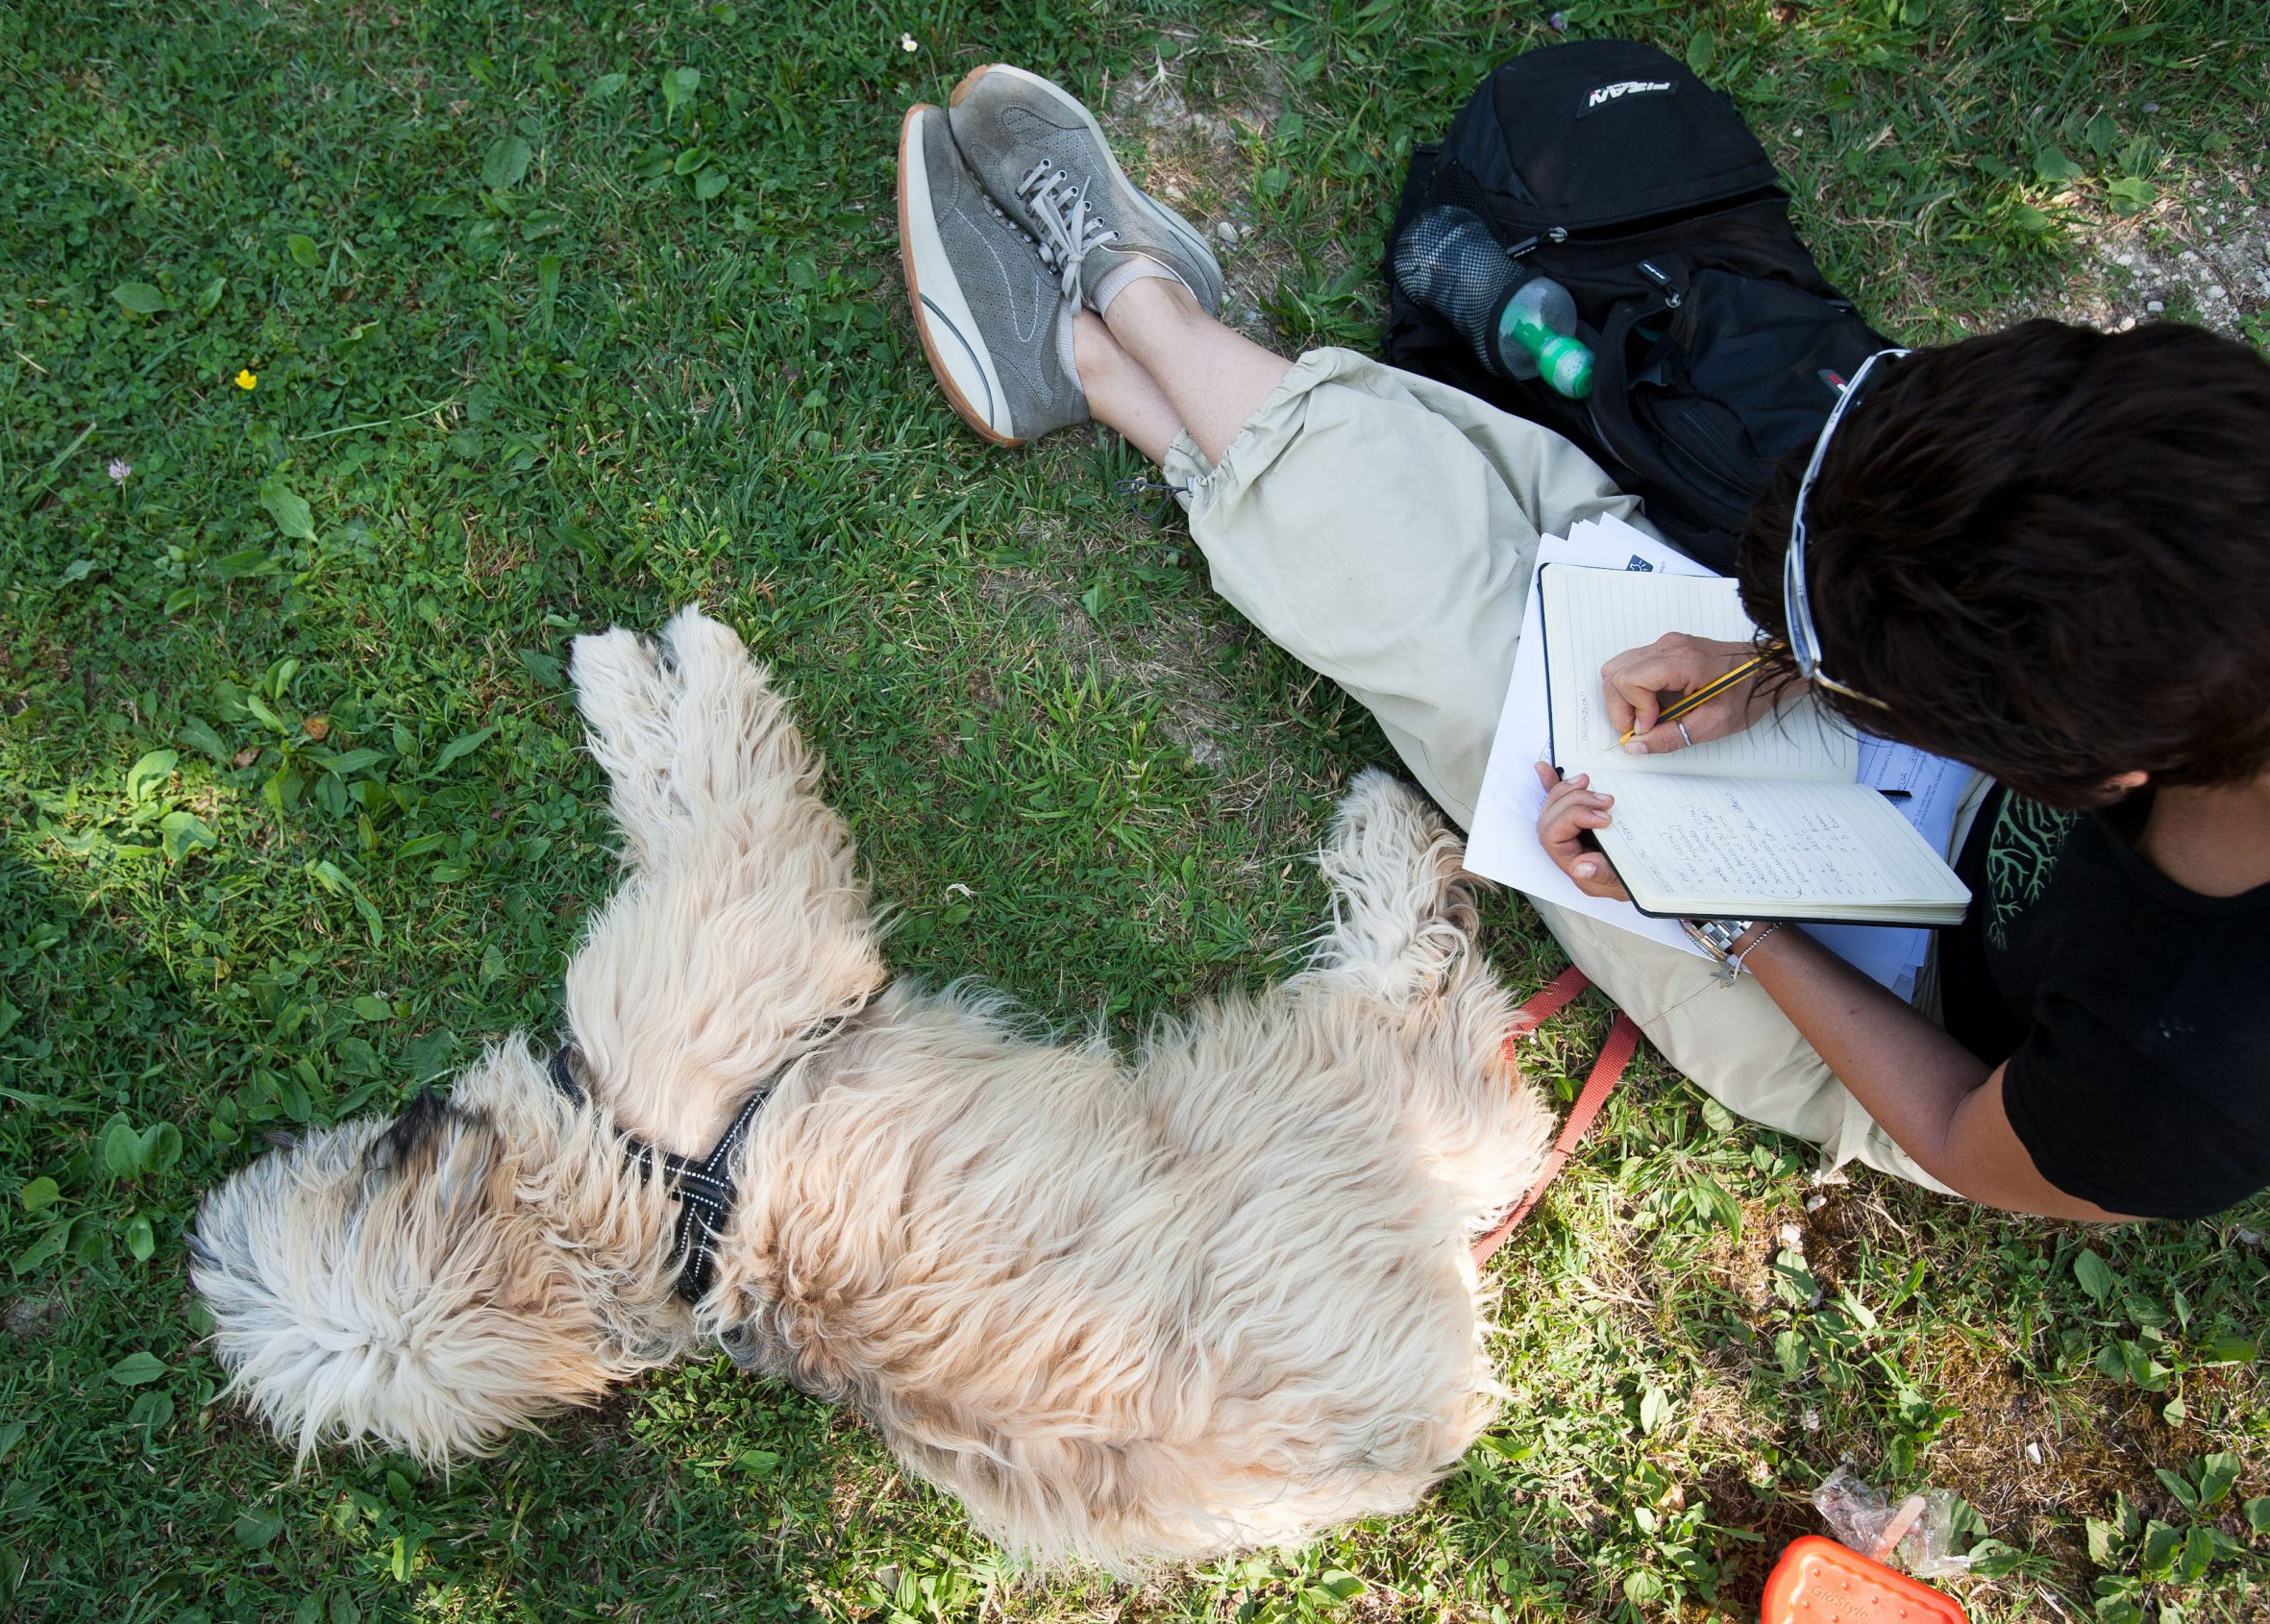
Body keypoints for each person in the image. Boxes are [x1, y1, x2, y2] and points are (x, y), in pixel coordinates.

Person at [896, 68, 2270, 1222]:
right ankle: (1130, 361)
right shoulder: (2212, 518)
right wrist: (1772, 654)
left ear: (2097, 777)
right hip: (2014, 761)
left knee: (1502, 688)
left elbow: (1968, 1137)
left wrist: (1726, 912)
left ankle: (1124, 321)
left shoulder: (2189, 1066)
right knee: (1590, 548)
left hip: (1899, 1012)